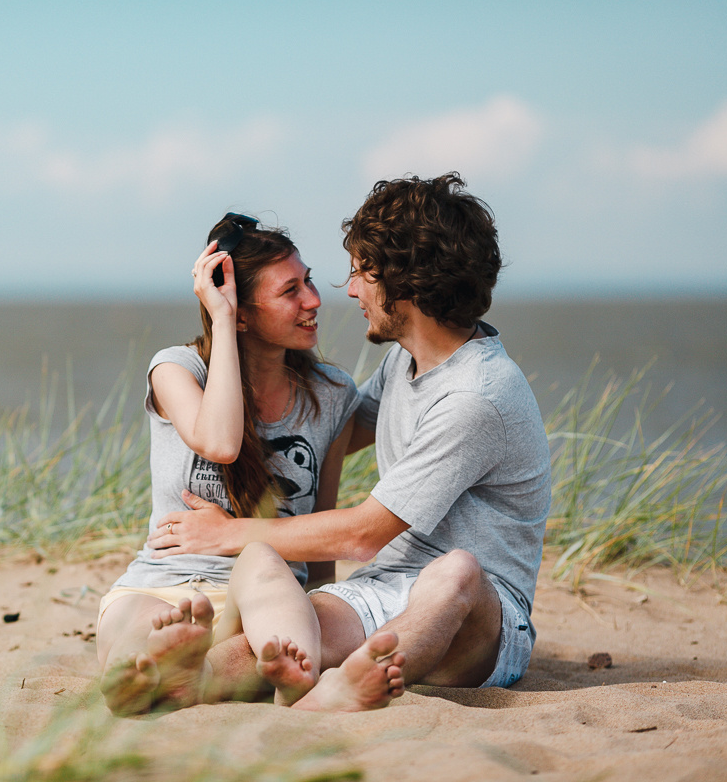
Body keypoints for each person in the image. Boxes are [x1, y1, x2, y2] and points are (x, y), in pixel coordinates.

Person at [148, 173, 551, 707]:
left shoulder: (477, 394)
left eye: (362, 272)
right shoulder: (403, 361)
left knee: (455, 571)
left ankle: (340, 692)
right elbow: (328, 428)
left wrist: (225, 533)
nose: (350, 289)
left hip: (484, 615)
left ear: (405, 282)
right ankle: (165, 688)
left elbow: (364, 534)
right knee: (277, 645)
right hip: (377, 590)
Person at [96, 214, 405, 715]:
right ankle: (143, 673)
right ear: (240, 312)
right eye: (291, 291)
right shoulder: (176, 369)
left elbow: (317, 528)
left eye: (307, 281)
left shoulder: (331, 394)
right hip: (163, 582)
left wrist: (319, 604)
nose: (313, 299)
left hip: (263, 600)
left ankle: (298, 682)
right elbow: (218, 442)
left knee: (262, 557)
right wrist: (221, 319)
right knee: (144, 619)